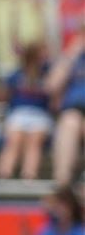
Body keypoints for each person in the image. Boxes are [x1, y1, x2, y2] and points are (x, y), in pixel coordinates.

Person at [0, 42, 52, 180]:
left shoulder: (48, 73)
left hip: (40, 115)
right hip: (18, 114)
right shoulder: (16, 75)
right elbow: (4, 95)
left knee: (34, 141)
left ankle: (29, 176)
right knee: (14, 140)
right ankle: (4, 175)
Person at [46, 34, 85, 185]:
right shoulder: (73, 57)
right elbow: (51, 86)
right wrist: (70, 55)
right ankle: (63, 185)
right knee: (69, 123)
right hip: (73, 110)